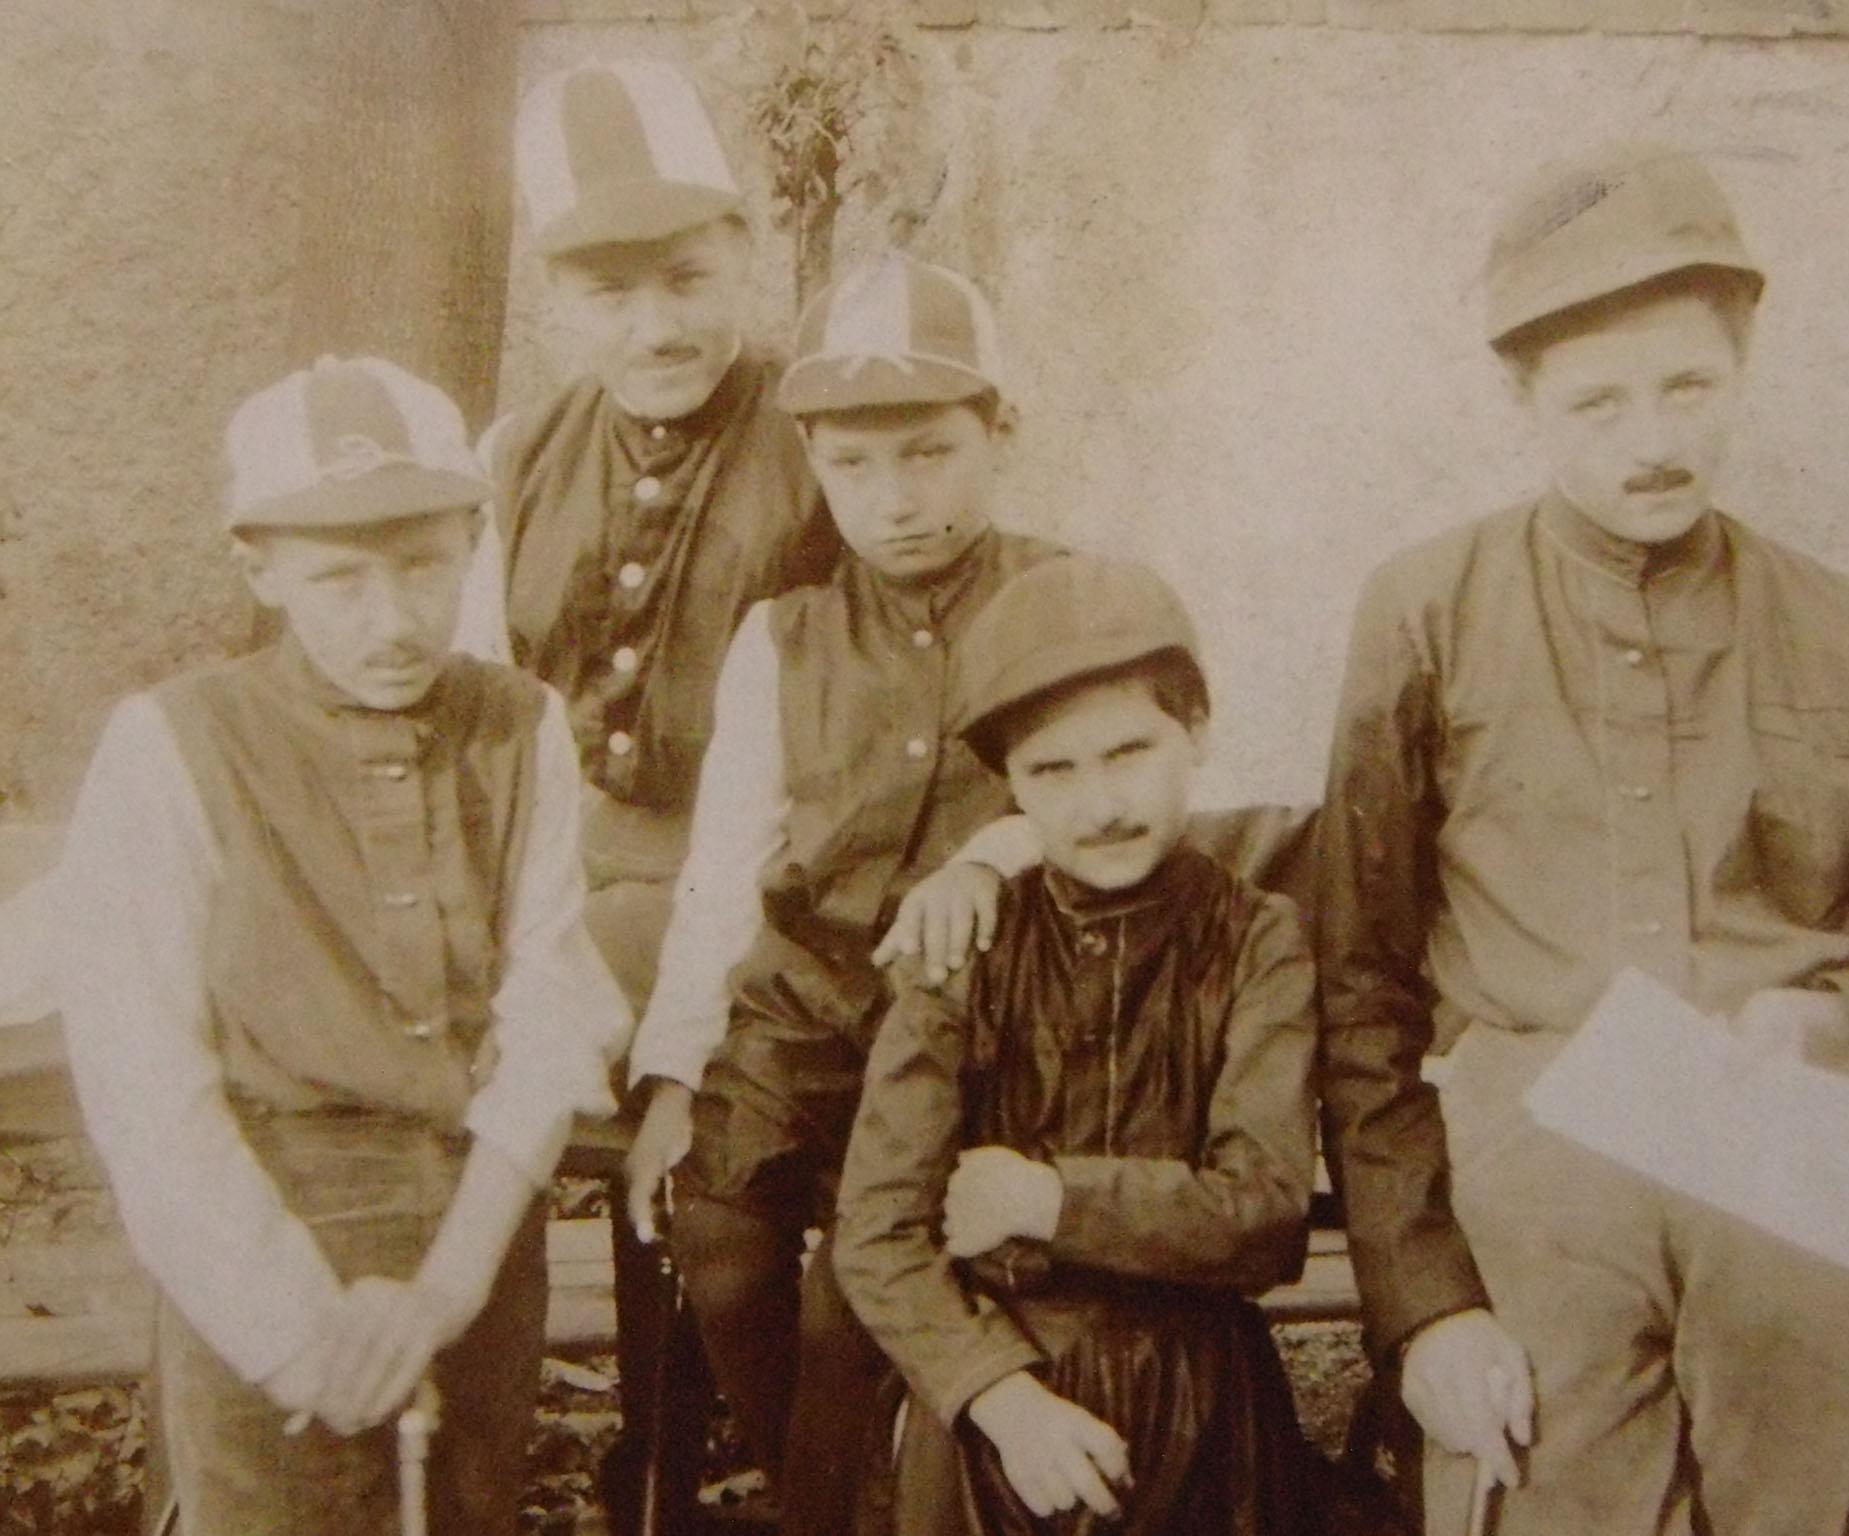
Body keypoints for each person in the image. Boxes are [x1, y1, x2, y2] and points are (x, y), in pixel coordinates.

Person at [1316, 141, 1849, 1535]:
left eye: (1690, 385)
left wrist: (1823, 1025)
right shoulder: (1424, 614)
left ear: (1742, 369)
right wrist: (1424, 1307)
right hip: (1539, 1143)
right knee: (1538, 1483)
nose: (1653, 440)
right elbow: (1360, 991)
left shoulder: (1845, 626)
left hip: (1789, 1140)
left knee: (1803, 1497)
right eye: (1598, 401)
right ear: (1521, 400)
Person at [51, 356, 630, 1535]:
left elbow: (549, 1012)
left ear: (472, 540)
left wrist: (451, 1286)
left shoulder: (523, 725)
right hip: (263, 1223)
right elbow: (145, 1084)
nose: (394, 619)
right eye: (340, 581)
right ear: (257, 568)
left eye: (423, 567)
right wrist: (299, 1335)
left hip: (476, 1220)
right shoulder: (173, 744)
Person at [456, 57, 843, 1530]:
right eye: (609, 296)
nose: (659, 326)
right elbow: (487, 708)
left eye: (687, 276)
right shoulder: (515, 460)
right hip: (578, 887)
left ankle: (788, 1465)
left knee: (719, 1181)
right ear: (555, 306)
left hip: (781, 888)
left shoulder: (825, 443)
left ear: (745, 254)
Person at [625, 253, 1065, 1535]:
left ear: (999, 433)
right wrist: (669, 1077)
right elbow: (722, 867)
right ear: (812, 459)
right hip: (804, 1005)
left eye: (929, 454)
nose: (896, 500)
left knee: (853, 1299)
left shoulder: (1064, 600)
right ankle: (825, 1492)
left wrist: (999, 850)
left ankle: (843, 1509)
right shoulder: (785, 635)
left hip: (976, 1014)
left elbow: (1123, 800)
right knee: (718, 1236)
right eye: (853, 466)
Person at [834, 554, 1318, 1536]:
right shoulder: (962, 944)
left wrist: (1047, 1199)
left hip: (1198, 1394)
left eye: (1128, 753)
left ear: (1196, 735)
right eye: (1051, 770)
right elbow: (877, 1228)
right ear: (1008, 786)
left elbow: (1265, 1213)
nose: (1097, 805)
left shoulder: (1254, 939)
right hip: (994, 1384)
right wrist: (999, 1399)